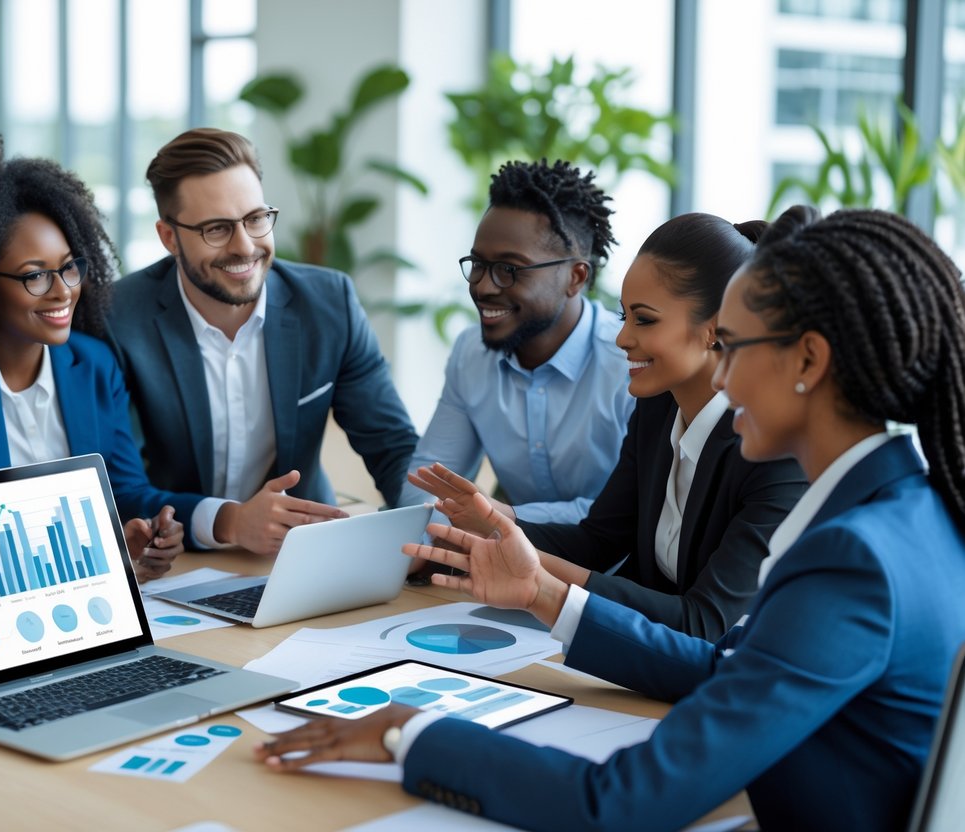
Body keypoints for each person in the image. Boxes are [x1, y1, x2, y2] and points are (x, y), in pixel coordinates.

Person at [257, 206, 965, 832]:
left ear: (807, 359)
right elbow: (726, 670)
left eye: (736, 348)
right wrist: (540, 591)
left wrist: (409, 734)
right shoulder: (910, 511)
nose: (719, 378)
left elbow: (620, 802)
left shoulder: (849, 560)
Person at [412, 213, 806, 638]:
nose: (622, 338)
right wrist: (494, 524)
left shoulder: (775, 453)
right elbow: (599, 540)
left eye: (645, 319)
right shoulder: (657, 410)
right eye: (624, 317)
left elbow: (703, 622)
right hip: (642, 667)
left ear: (715, 327)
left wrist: (538, 581)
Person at [109, 127, 419, 556]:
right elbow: (115, 487)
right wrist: (230, 521)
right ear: (168, 238)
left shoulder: (330, 305)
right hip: (173, 567)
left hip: (298, 555)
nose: (245, 246)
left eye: (255, 219)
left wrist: (428, 525)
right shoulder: (117, 320)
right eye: (217, 229)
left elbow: (393, 447)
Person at [0, 141, 183, 583]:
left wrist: (155, 530)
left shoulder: (96, 364)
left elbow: (126, 492)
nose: (63, 290)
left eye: (68, 267)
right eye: (35, 275)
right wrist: (95, 556)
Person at [396, 159, 632, 526]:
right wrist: (436, 523)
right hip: (507, 569)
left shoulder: (628, 363)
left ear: (575, 277)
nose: (484, 286)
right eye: (478, 263)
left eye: (509, 269)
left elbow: (626, 516)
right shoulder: (470, 354)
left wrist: (501, 517)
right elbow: (426, 483)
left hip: (612, 578)